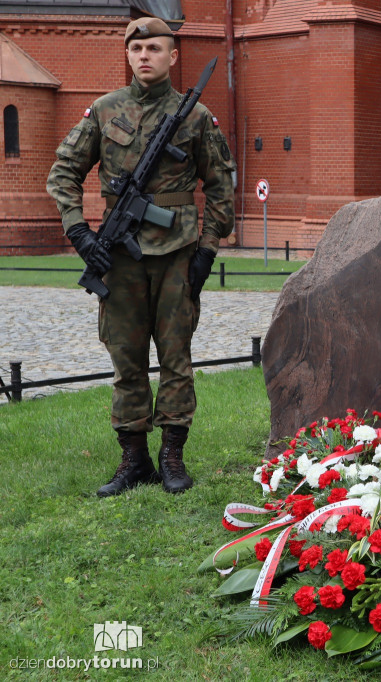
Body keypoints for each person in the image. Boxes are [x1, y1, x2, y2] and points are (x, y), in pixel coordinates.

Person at [47, 17, 236, 497]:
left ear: (174, 56)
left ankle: (172, 457)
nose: (145, 56)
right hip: (119, 258)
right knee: (126, 359)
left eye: (155, 48)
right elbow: (63, 172)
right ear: (128, 56)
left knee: (176, 357)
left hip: (178, 254)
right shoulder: (105, 110)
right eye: (137, 49)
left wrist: (208, 250)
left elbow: (220, 187)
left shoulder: (195, 117)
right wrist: (79, 232)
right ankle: (134, 461)